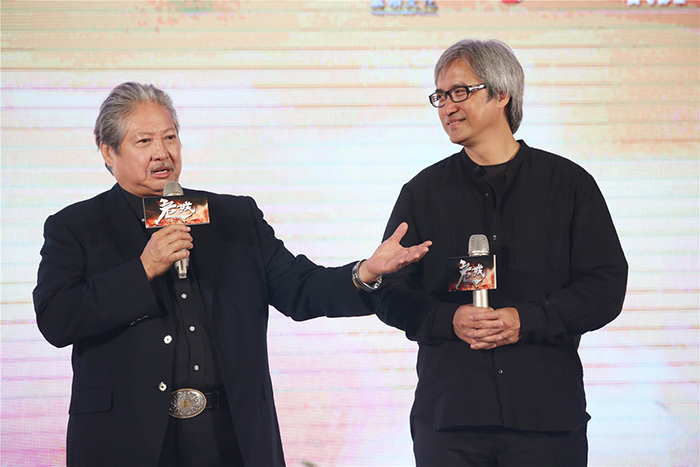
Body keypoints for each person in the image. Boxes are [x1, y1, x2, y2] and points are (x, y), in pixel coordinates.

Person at [32, 82, 431, 467]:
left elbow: (300, 287)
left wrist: (365, 271)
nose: (162, 153)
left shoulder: (234, 217)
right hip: (128, 440)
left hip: (231, 436)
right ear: (108, 151)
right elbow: (57, 318)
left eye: (170, 138)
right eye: (144, 141)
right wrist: (144, 269)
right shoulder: (76, 227)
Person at [373, 39, 628, 466]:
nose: (447, 107)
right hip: (451, 421)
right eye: (440, 96)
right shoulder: (423, 193)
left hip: (545, 420)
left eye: (460, 92)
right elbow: (389, 291)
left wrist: (525, 319)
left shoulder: (567, 184)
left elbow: (605, 286)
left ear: (502, 94)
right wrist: (449, 320)